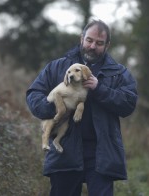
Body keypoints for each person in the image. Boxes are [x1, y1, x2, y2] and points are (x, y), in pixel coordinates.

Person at [26, 19, 138, 196]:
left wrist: (99, 89)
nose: (93, 46)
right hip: (64, 151)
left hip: (101, 153)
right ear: (82, 38)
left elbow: (128, 104)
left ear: (107, 45)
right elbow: (33, 95)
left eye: (99, 43)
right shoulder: (58, 67)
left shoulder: (118, 73)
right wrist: (57, 108)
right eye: (89, 40)